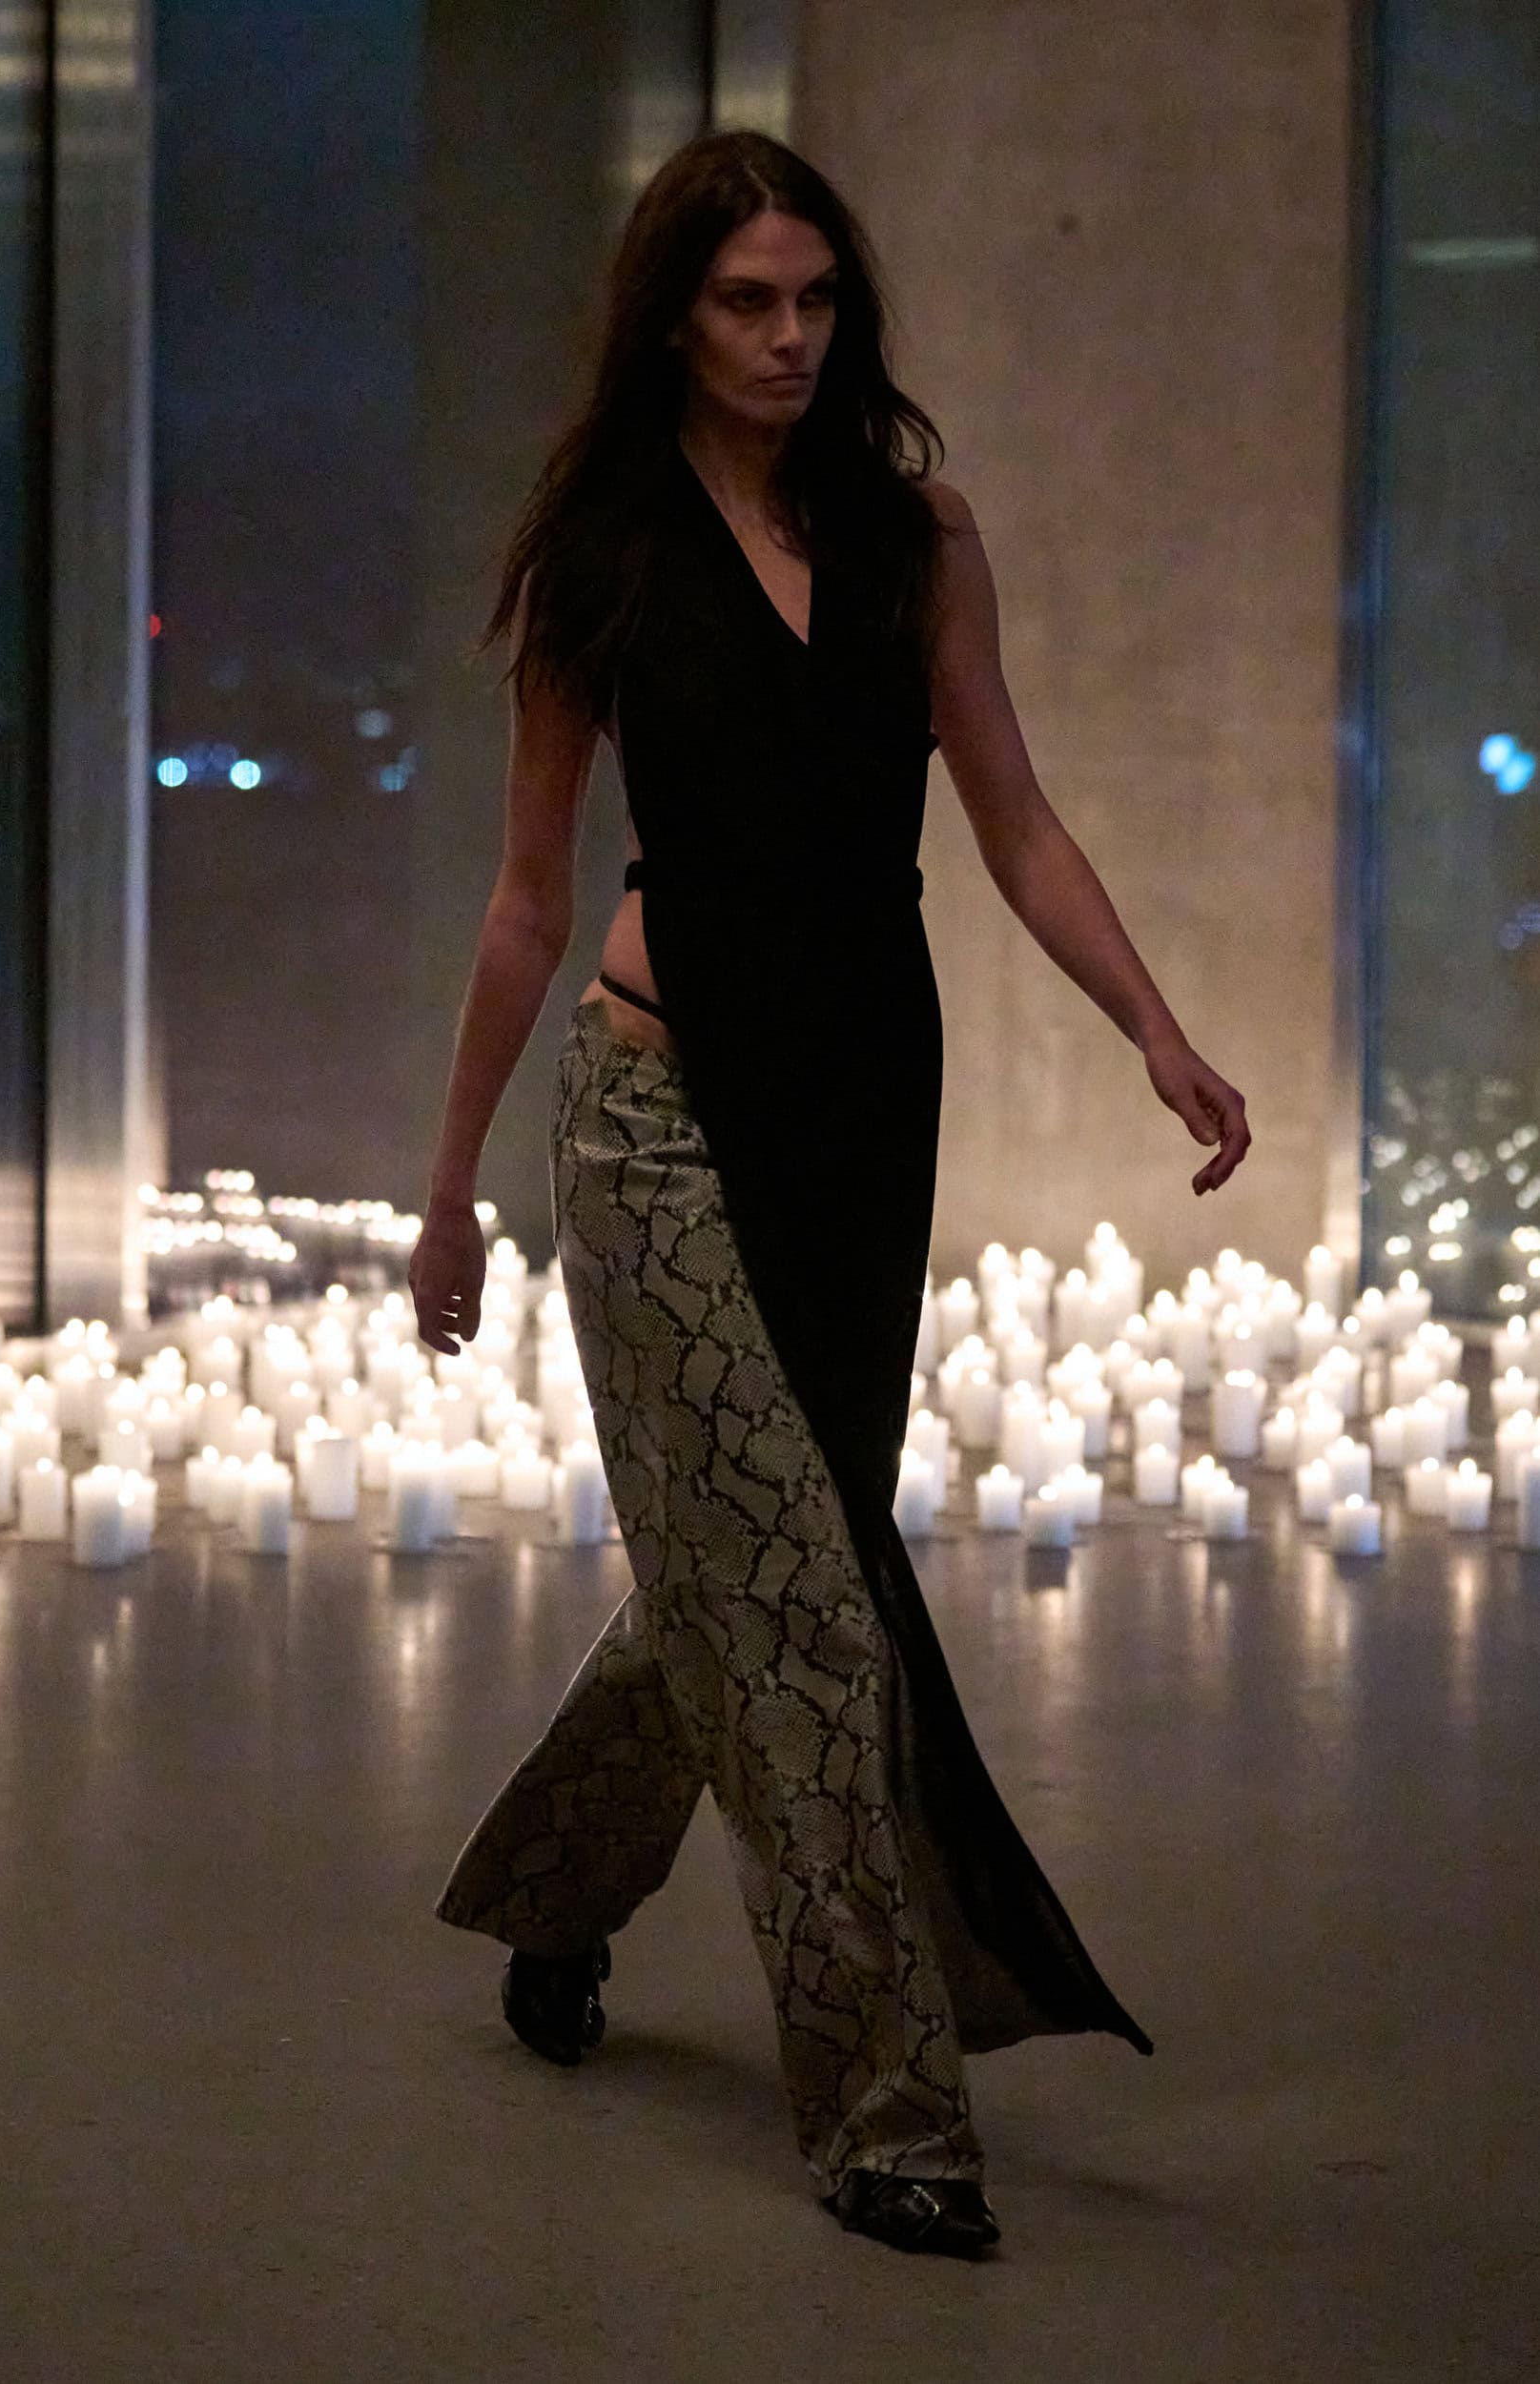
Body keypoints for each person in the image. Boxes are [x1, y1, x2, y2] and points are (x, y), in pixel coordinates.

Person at [408, 128, 1251, 2261]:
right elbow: (524, 903)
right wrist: (446, 1192)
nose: (787, 338)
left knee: (762, 1555)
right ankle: (889, 2109)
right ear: (670, 320)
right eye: (743, 303)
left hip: (867, 1113)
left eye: (814, 300)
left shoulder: (914, 539)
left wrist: (1153, 1028)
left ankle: (553, 1885)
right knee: (795, 1604)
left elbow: (1014, 818)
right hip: (657, 1123)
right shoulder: (601, 558)